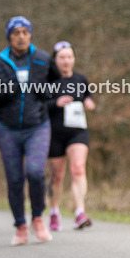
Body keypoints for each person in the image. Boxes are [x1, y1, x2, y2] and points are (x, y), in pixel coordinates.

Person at [0, 16, 56, 245]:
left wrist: (46, 93)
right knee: (14, 179)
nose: (21, 37)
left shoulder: (43, 58)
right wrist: (3, 92)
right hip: (8, 129)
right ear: (9, 37)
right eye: (16, 33)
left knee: (35, 172)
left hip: (38, 126)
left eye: (25, 32)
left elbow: (58, 85)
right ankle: (20, 226)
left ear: (30, 34)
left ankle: (37, 218)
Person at [46, 41, 95, 231]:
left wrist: (89, 101)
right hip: (55, 133)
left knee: (78, 169)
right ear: (55, 60)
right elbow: (39, 106)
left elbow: (87, 96)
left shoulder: (81, 79)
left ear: (74, 59)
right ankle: (54, 211)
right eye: (62, 57)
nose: (66, 61)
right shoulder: (48, 82)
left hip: (77, 131)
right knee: (57, 176)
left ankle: (80, 212)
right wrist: (55, 103)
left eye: (69, 57)